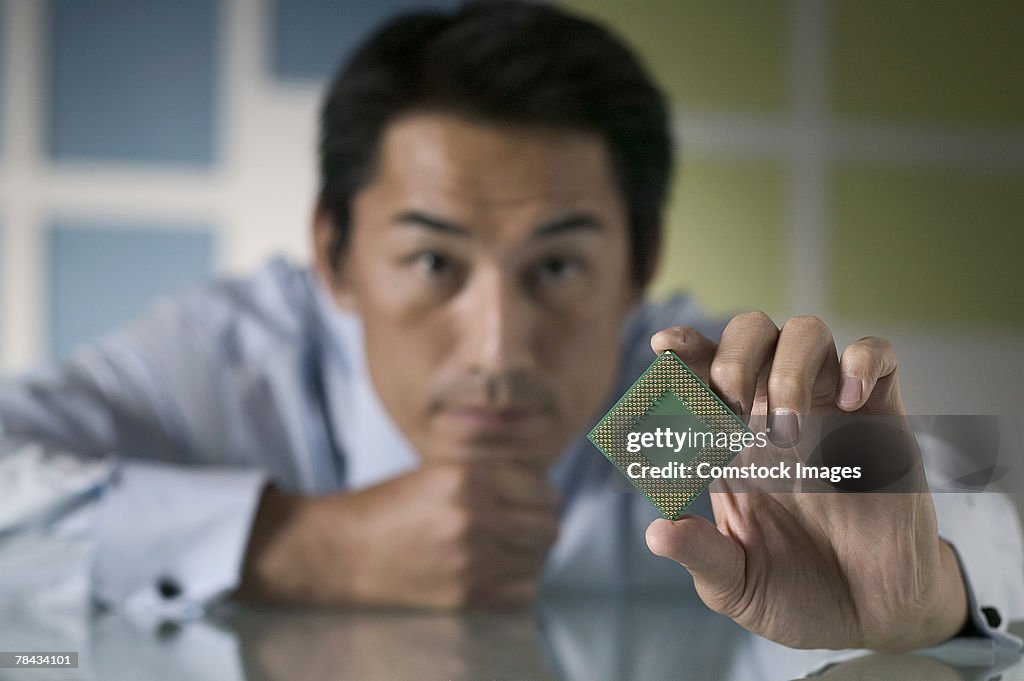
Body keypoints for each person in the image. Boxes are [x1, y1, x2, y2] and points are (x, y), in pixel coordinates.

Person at [0, 0, 1021, 654]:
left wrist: (932, 595)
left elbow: (966, 512)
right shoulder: (236, 361)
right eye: (433, 262)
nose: (497, 349)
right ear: (332, 255)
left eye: (560, 267)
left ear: (640, 264)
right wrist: (295, 545)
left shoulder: (663, 404)